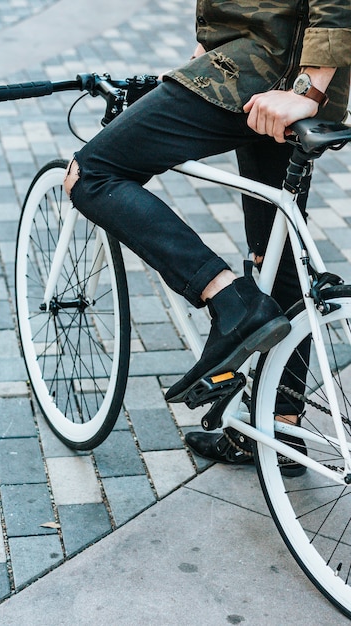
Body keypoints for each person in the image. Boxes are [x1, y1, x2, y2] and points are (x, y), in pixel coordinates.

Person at [64, 1, 351, 471]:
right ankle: (279, 430)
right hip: (259, 68)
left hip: (263, 75)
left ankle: (231, 303)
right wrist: (197, 61)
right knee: (274, 262)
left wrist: (309, 90)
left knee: (91, 173)